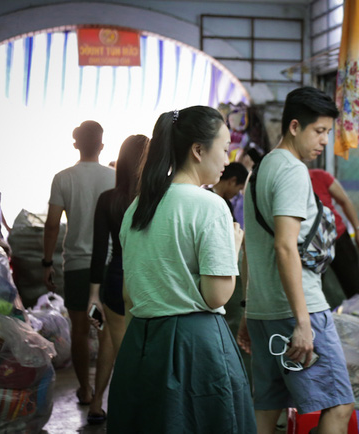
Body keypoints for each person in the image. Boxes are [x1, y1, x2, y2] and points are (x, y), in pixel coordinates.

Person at [107, 106, 255, 433]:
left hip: (141, 343)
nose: (227, 158)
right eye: (224, 147)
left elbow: (129, 294)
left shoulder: (138, 207)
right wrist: (232, 250)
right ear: (198, 150)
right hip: (195, 347)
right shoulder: (209, 205)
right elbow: (217, 296)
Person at [238, 87, 354, 434]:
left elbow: (249, 246)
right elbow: (285, 247)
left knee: (268, 407)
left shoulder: (258, 171)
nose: (323, 141)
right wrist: (303, 323)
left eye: (327, 133)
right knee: (339, 405)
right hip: (297, 309)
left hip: (263, 312)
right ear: (293, 126)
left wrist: (248, 308)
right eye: (318, 131)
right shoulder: (291, 170)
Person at [42, 121, 115, 406]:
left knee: (80, 331)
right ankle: (100, 395)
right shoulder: (115, 177)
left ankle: (84, 389)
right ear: (101, 145)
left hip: (75, 265)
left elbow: (51, 226)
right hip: (109, 264)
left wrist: (47, 262)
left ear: (76, 145)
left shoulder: (63, 178)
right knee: (107, 330)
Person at [86, 134, 148, 424]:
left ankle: (97, 402)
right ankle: (129, 416)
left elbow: (100, 250)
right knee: (130, 356)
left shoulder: (108, 199)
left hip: (114, 276)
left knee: (110, 342)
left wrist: (94, 295)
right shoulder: (152, 199)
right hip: (144, 276)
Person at [309, 168, 359, 298]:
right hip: (311, 245)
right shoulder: (289, 185)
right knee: (313, 291)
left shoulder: (320, 176)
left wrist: (358, 230)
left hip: (338, 238)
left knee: (355, 288)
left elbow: (345, 201)